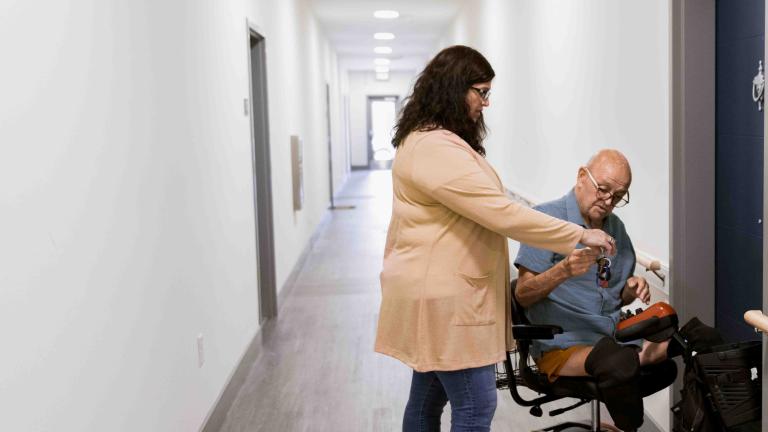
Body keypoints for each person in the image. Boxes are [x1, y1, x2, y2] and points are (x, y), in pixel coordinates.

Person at [373, 45, 616, 432]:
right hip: (446, 302)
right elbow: (502, 213)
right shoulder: (433, 148)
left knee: (426, 400)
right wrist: (579, 233)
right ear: (454, 89)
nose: (485, 104)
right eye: (481, 92)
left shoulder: (432, 139)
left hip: (440, 297)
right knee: (476, 405)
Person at [514, 149, 668, 431]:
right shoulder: (546, 219)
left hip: (609, 337)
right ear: (582, 176)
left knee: (687, 337)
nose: (609, 201)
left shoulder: (616, 229)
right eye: (604, 190)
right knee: (620, 364)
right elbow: (522, 294)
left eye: (618, 197)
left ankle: (638, 360)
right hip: (563, 345)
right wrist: (564, 270)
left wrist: (630, 289)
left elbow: (613, 293)